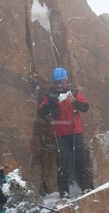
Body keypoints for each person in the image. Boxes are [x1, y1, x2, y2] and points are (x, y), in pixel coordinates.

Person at [38, 67, 93, 198]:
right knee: (63, 162)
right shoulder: (50, 95)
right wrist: (48, 105)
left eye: (61, 82)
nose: (59, 85)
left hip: (76, 131)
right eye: (56, 83)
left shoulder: (73, 92)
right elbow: (41, 113)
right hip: (59, 134)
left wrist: (74, 101)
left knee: (81, 160)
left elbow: (85, 106)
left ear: (66, 80)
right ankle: (64, 190)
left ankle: (86, 187)